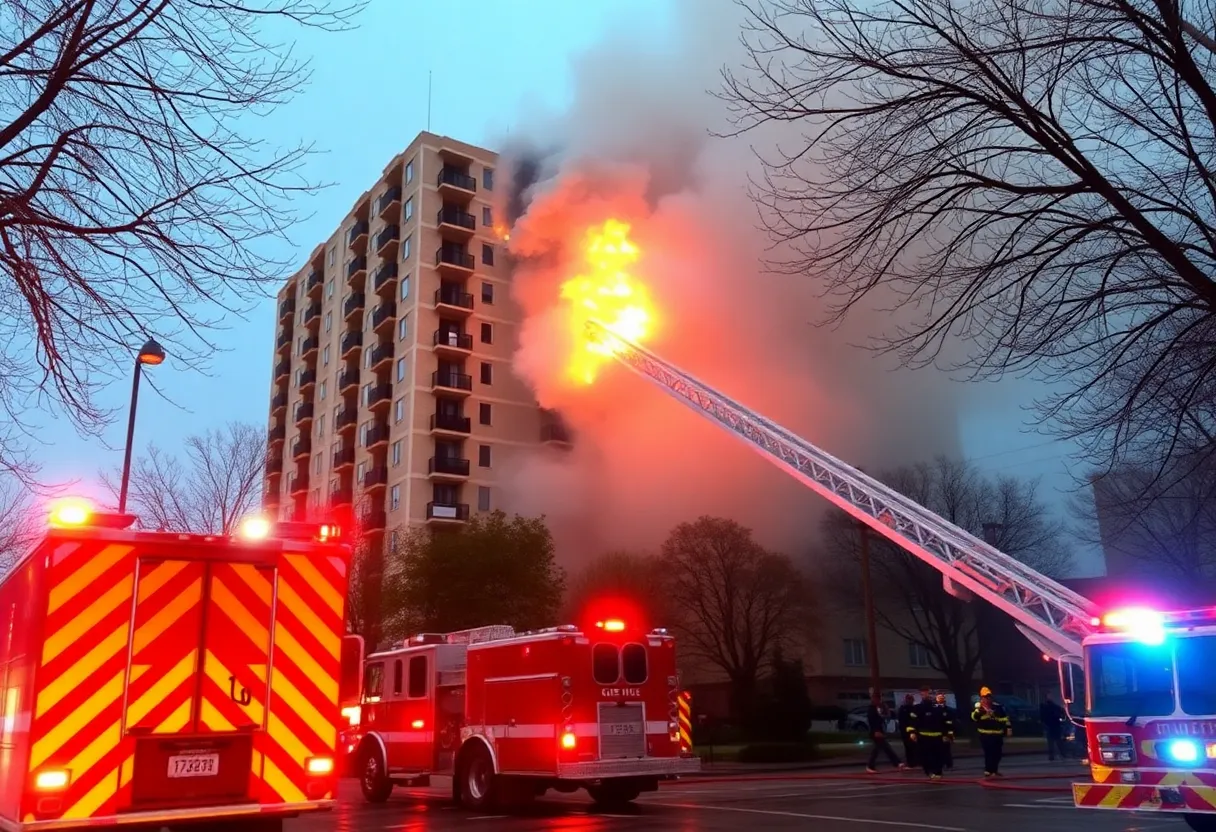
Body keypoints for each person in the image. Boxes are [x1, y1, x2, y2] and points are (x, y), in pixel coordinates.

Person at [908, 688, 953, 780]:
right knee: (925, 757)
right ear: (921, 695)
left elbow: (946, 722)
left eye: (929, 694)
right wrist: (912, 733)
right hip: (924, 737)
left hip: (937, 737)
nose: (928, 695)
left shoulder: (938, 708)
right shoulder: (918, 708)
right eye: (925, 694)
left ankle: (938, 772)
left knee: (938, 756)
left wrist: (948, 734)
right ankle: (929, 772)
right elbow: (912, 722)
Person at [972, 686, 1012, 777]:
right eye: (985, 697)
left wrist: (1008, 728)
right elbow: (973, 718)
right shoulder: (979, 708)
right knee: (989, 752)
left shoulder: (998, 707)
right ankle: (988, 770)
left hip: (997, 734)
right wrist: (980, 711)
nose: (987, 699)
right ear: (982, 698)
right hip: (985, 734)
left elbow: (1005, 718)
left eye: (989, 697)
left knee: (998, 753)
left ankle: (994, 770)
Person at [865, 694, 908, 773]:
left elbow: (883, 717)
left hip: (879, 731)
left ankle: (897, 763)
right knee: (879, 749)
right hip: (876, 732)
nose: (880, 701)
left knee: (884, 748)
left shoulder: (877, 708)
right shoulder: (871, 710)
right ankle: (870, 765)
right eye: (879, 699)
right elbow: (872, 722)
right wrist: (876, 731)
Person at [1040, 694, 1067, 761]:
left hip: (1050, 726)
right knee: (1057, 741)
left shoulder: (1045, 707)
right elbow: (1062, 714)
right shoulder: (1055, 707)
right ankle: (1062, 754)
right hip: (1055, 725)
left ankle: (1053, 755)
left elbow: (1042, 717)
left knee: (1051, 742)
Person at [896, 693, 918, 769]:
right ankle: (911, 762)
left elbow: (915, 720)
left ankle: (914, 762)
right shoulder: (903, 709)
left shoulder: (914, 709)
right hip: (905, 732)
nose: (910, 701)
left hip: (913, 732)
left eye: (911, 699)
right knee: (909, 747)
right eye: (909, 699)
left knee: (914, 747)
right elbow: (902, 720)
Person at [935, 693, 955, 771]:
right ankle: (940, 764)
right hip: (937, 733)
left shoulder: (948, 710)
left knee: (946, 749)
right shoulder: (934, 709)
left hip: (945, 733)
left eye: (942, 698)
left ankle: (948, 764)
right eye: (939, 698)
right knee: (938, 750)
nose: (941, 699)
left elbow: (950, 723)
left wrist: (950, 734)